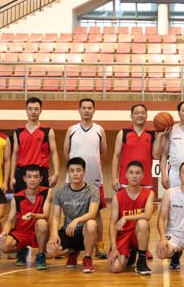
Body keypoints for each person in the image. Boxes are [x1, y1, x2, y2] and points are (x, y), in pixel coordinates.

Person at [63, 98, 108, 259]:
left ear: (94, 110)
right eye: (84, 108)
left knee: (96, 214)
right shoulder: (72, 130)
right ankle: (70, 245)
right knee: (70, 211)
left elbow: (103, 153)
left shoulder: (99, 130)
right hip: (74, 180)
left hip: (94, 179)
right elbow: (66, 152)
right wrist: (75, 170)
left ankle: (100, 246)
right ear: (79, 110)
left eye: (90, 108)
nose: (87, 110)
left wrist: (93, 166)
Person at [47, 157, 100, 273]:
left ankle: (87, 258)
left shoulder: (93, 190)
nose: (75, 174)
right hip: (68, 231)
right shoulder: (59, 191)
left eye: (78, 170)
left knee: (92, 224)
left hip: (84, 232)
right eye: (72, 171)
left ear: (84, 172)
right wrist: (54, 234)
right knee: (51, 251)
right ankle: (72, 251)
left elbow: (92, 213)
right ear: (68, 173)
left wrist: (76, 220)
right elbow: (55, 216)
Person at [0, 164, 52, 270]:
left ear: (41, 179)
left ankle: (40, 256)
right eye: (29, 177)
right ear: (24, 179)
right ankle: (21, 250)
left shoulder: (47, 192)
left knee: (42, 223)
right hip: (22, 232)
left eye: (35, 177)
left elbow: (46, 215)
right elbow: (10, 220)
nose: (32, 180)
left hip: (38, 230)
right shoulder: (17, 197)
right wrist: (5, 232)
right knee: (4, 245)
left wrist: (33, 215)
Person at [108, 161, 155, 275]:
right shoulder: (118, 197)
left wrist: (126, 217)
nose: (134, 176)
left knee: (143, 223)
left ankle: (141, 261)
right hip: (123, 235)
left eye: (138, 173)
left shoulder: (149, 193)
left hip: (137, 233)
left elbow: (148, 215)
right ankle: (131, 253)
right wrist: (114, 247)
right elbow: (113, 223)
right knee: (116, 268)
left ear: (143, 176)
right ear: (126, 175)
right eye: (131, 173)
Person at [111, 103, 166, 191]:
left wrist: (159, 137)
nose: (140, 115)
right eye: (136, 113)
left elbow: (156, 156)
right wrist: (114, 177)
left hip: (146, 181)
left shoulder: (152, 134)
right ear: (131, 116)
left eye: (142, 113)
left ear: (146, 116)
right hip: (125, 181)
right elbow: (116, 156)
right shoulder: (123, 133)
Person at [10, 97, 59, 193]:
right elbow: (15, 155)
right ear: (26, 110)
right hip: (22, 172)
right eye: (30, 109)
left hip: (41, 172)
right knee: (20, 201)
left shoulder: (48, 131)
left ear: (41, 110)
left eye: (36, 109)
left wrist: (56, 173)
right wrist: (12, 176)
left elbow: (54, 153)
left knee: (42, 201)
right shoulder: (18, 132)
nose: (33, 112)